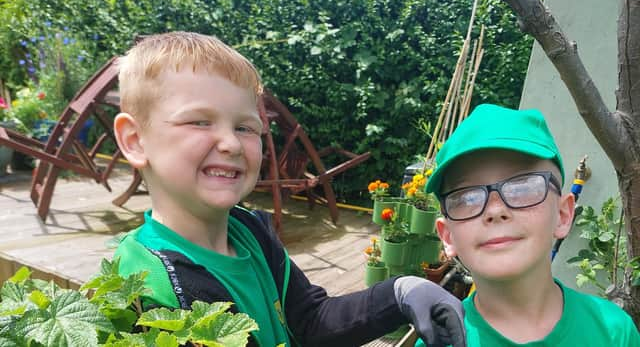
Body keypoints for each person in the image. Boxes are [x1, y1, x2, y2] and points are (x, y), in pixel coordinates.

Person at [112, 31, 465, 347]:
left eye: (246, 128)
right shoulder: (146, 283)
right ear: (135, 140)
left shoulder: (250, 231)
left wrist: (399, 293)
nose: (231, 144)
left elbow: (310, 320)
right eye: (199, 121)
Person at [416, 104, 640, 346]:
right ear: (448, 236)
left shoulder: (614, 331)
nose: (495, 210)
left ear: (563, 215)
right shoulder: (439, 342)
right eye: (467, 197)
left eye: (522, 187)